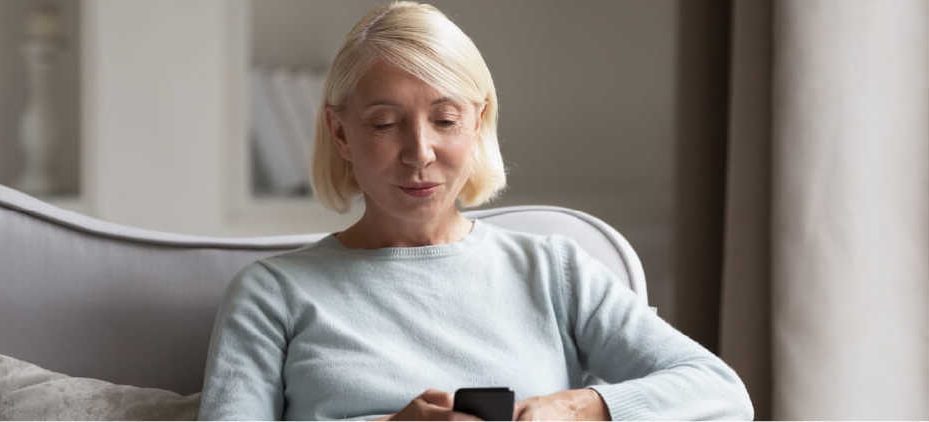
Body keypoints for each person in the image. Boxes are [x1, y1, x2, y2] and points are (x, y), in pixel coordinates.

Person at [198, 1, 754, 420]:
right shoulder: (273, 293)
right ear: (340, 132)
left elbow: (720, 392)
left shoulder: (554, 271)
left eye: (444, 119)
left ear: (478, 122)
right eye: (385, 124)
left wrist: (581, 407)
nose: (420, 152)